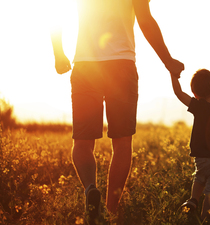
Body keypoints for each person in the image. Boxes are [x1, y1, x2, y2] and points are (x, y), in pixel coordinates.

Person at [50, 0, 184, 223]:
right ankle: (111, 210)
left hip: (86, 66)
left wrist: (58, 54)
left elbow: (57, 14)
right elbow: (145, 21)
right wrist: (168, 61)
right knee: (122, 143)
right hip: (121, 65)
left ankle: (91, 190)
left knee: (82, 143)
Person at [170, 69, 210, 221]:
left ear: (194, 93)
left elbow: (178, 93)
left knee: (200, 177)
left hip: (202, 158)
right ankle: (205, 219)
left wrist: (173, 73)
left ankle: (193, 199)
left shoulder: (198, 106)